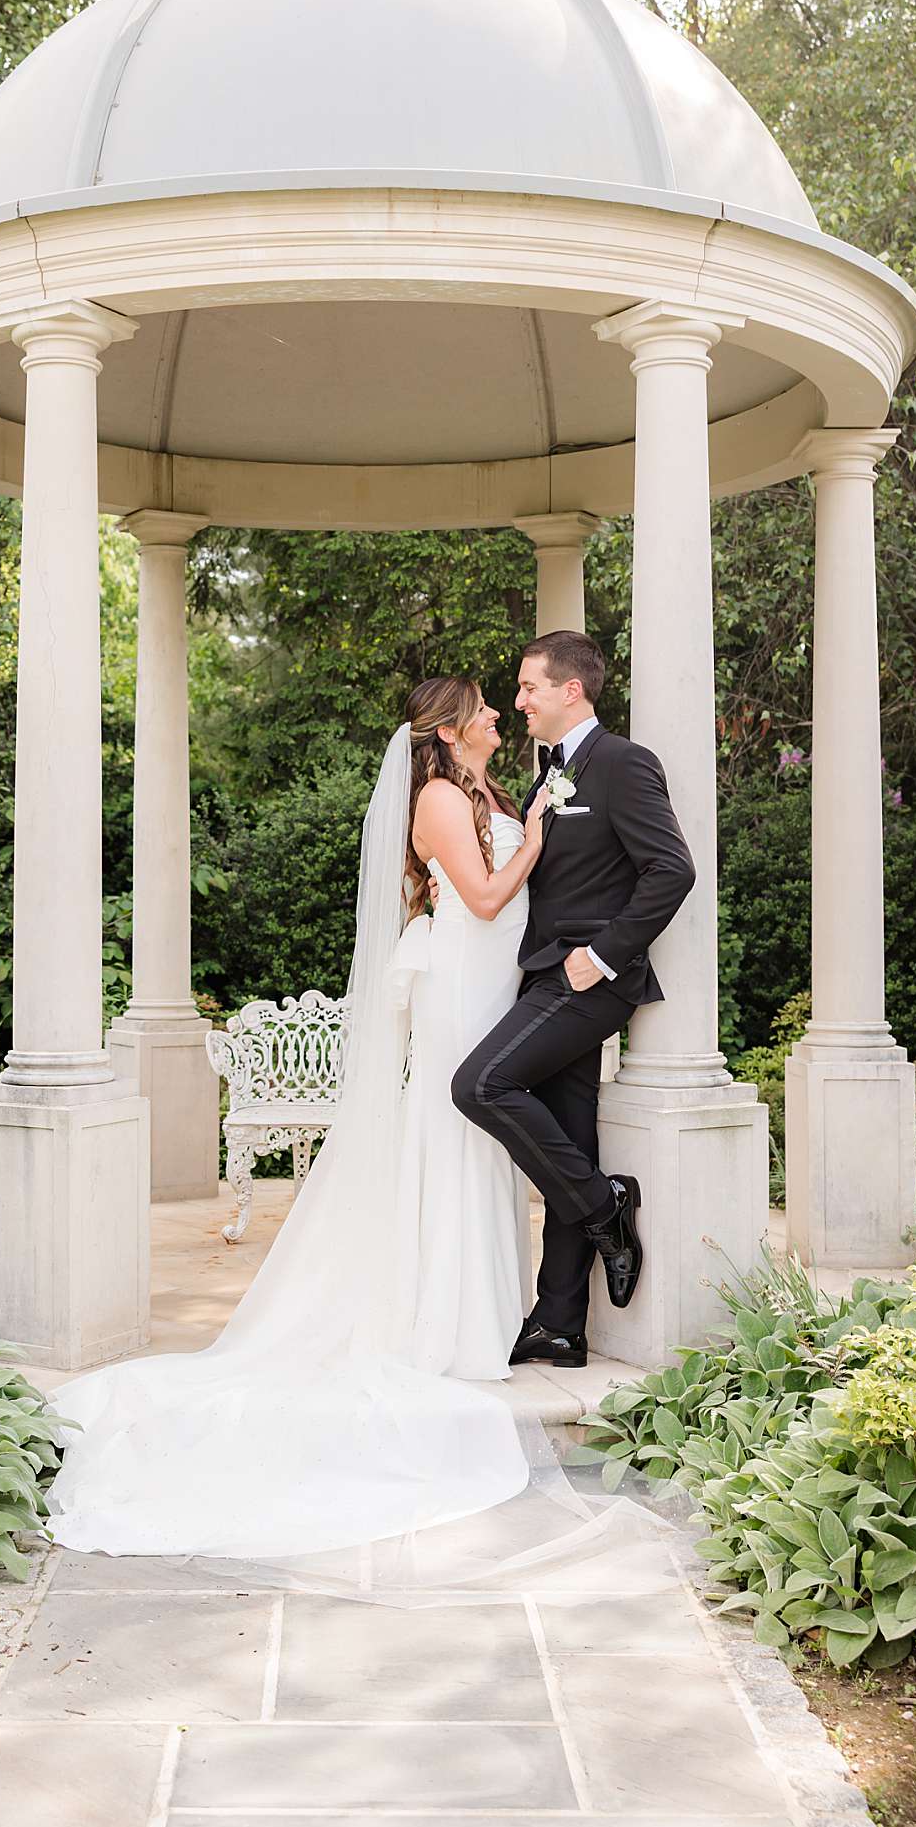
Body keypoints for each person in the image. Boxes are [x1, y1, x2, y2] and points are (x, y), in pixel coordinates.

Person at [40, 673, 672, 1596]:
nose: (500, 713)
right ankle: (471, 1309)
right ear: (452, 731)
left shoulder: (496, 784)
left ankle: (522, 1316)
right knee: (463, 1124)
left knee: (486, 1148)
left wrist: (537, 833)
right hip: (466, 984)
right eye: (487, 708)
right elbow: (489, 899)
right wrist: (534, 840)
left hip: (510, 984)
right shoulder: (439, 800)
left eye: (513, 698)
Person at [453, 631, 696, 1370]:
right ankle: (559, 1322)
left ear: (572, 691)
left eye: (529, 687)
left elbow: (671, 869)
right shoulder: (544, 776)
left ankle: (602, 1206)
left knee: (480, 1084)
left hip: (588, 980)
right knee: (568, 1138)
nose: (518, 700)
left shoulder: (623, 764)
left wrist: (604, 953)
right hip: (542, 977)